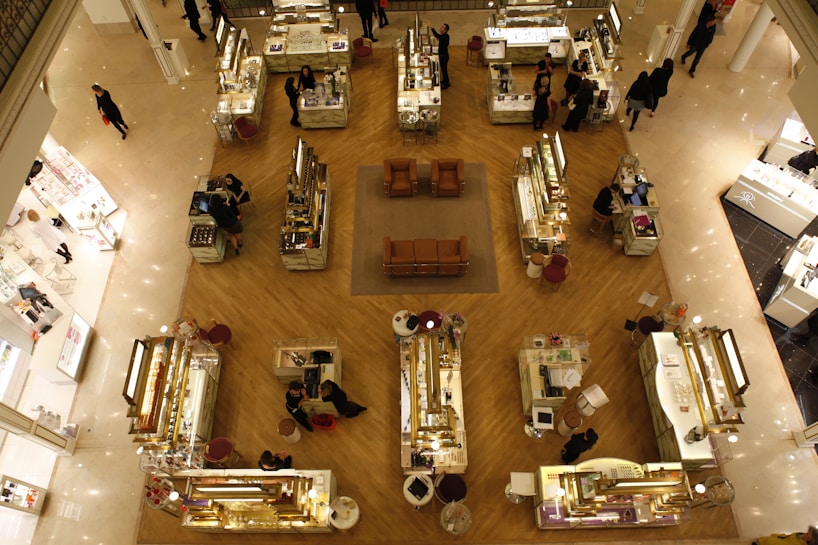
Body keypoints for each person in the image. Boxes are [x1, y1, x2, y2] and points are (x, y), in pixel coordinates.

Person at [431, 23, 451, 89]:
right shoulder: (445, 36)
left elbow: (437, 35)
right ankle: (445, 81)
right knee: (443, 70)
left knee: (444, 70)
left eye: (442, 28)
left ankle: (447, 83)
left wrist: (432, 29)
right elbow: (439, 37)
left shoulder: (444, 36)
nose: (441, 28)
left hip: (443, 56)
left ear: (445, 30)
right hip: (443, 55)